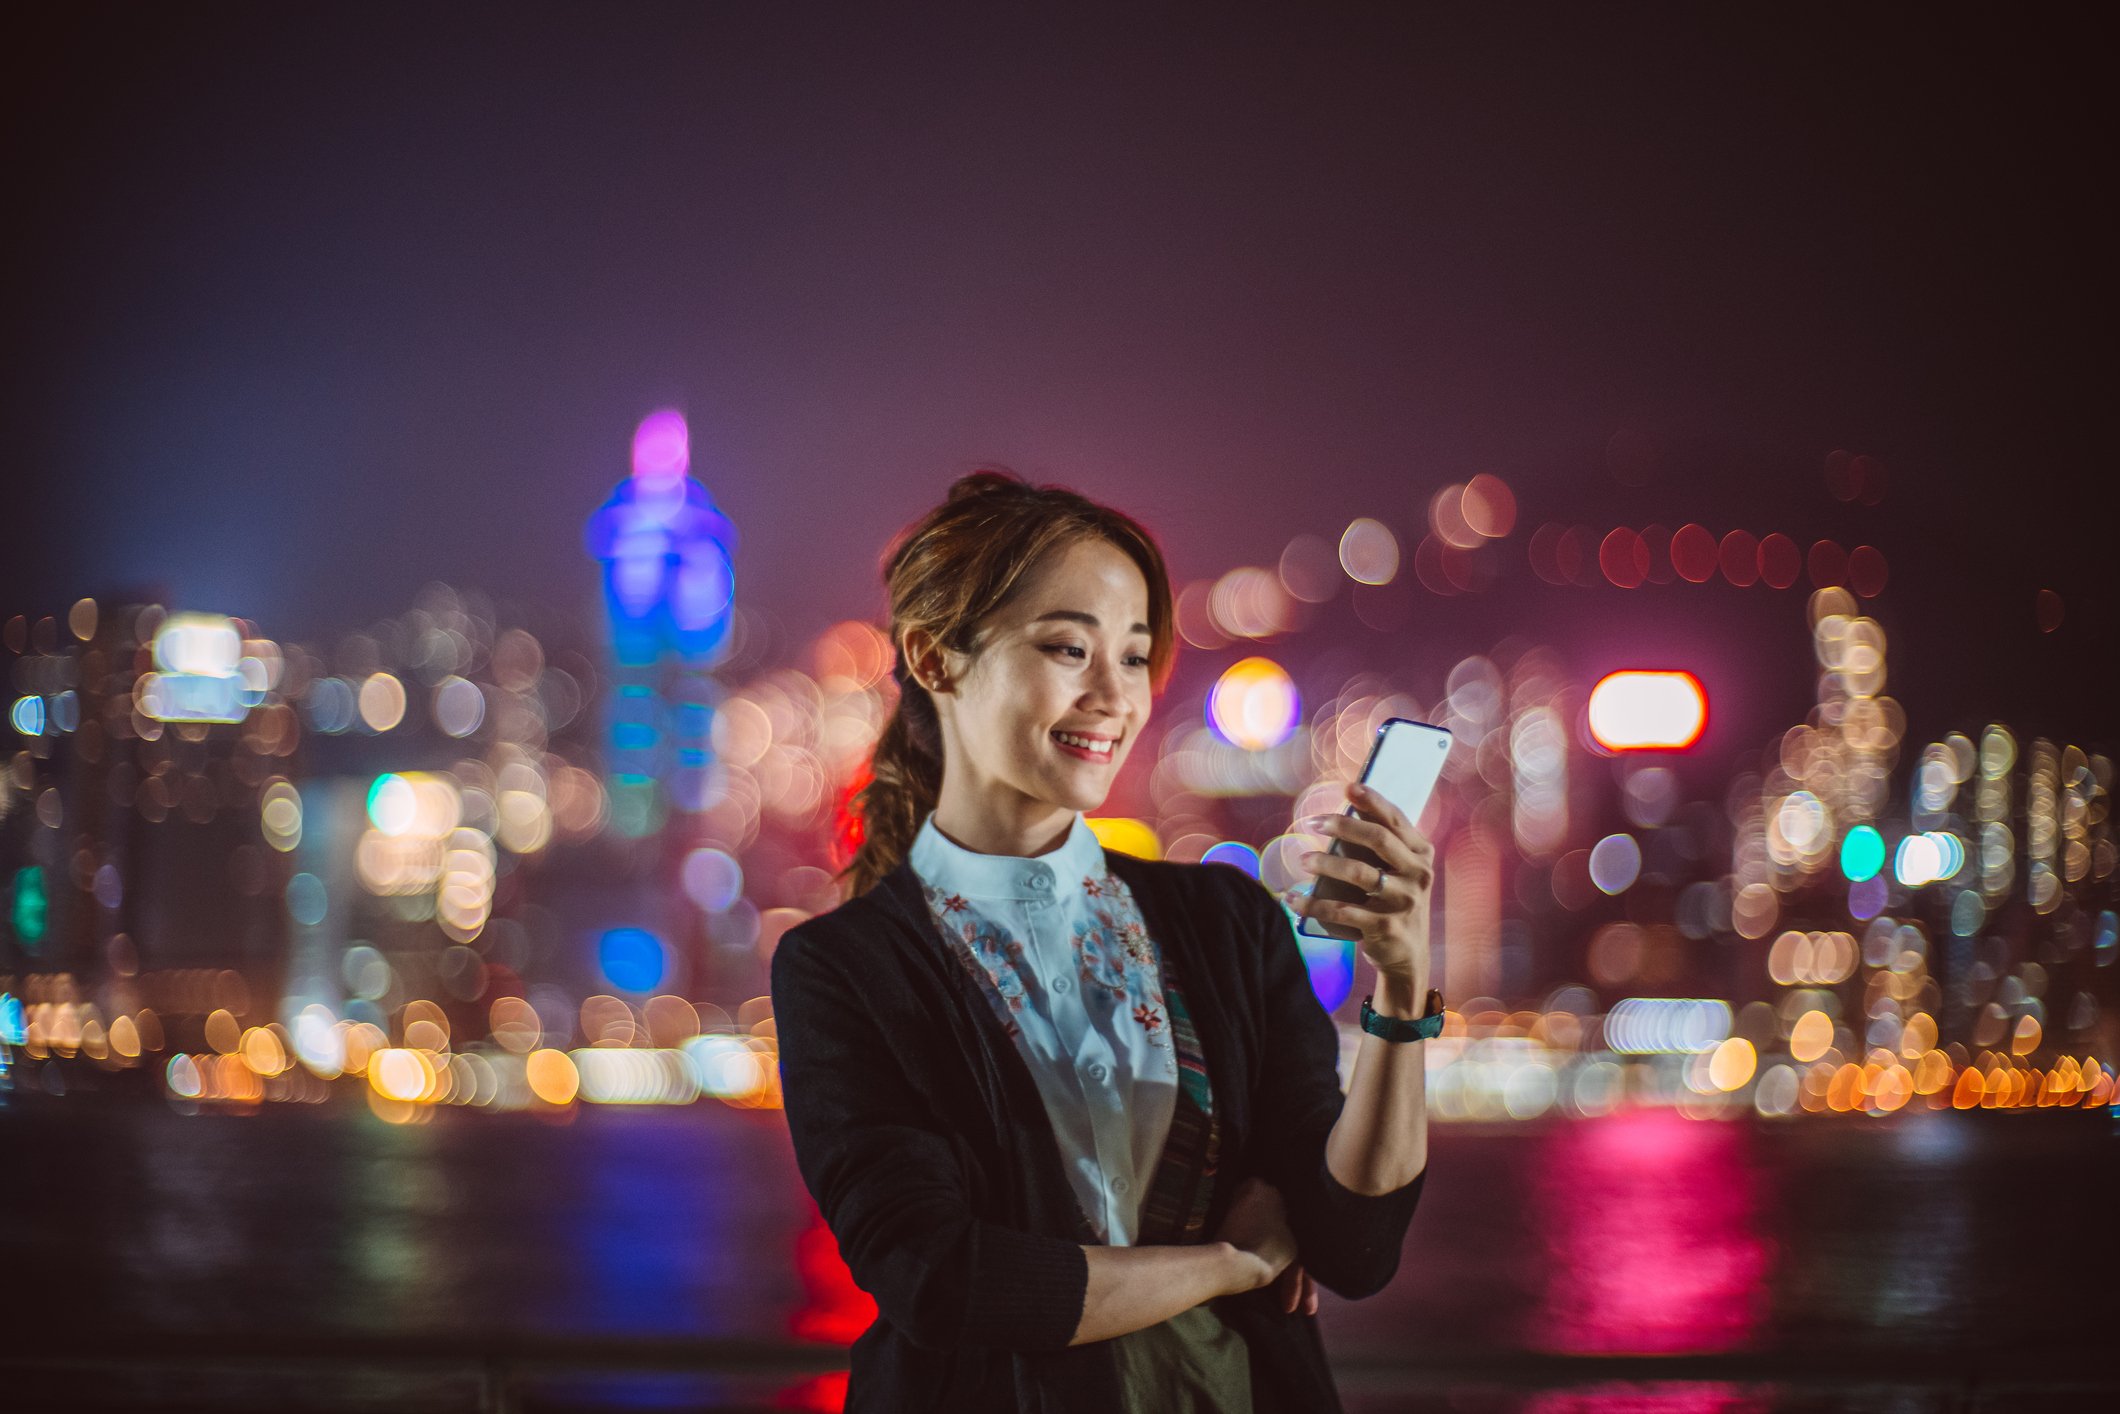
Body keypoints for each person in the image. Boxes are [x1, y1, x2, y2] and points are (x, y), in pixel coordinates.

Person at [771, 469, 1438, 1412]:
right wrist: (1230, 1262)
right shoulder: (847, 968)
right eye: (1067, 648)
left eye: (1133, 656)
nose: (1114, 696)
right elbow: (942, 1278)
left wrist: (1403, 989)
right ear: (935, 658)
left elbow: (1353, 1248)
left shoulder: (1226, 922)